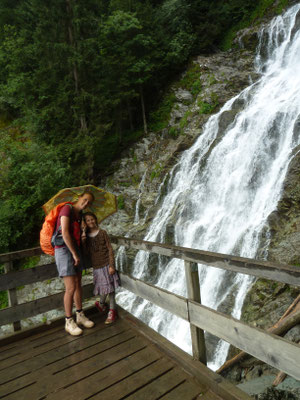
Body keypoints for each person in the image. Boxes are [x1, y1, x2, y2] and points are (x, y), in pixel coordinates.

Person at [54, 190, 95, 336]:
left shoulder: (80, 216)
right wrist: (74, 254)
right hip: (64, 250)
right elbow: (64, 233)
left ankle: (80, 315)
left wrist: (84, 233)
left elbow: (76, 234)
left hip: (74, 249)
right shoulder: (67, 209)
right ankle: (68, 321)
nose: (86, 203)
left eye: (89, 202)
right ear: (79, 198)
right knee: (70, 287)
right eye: (84, 200)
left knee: (78, 283)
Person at [81, 212, 120, 324]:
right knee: (105, 288)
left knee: (111, 289)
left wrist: (112, 265)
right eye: (88, 220)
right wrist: (83, 240)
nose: (91, 222)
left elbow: (110, 249)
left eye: (92, 219)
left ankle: (112, 312)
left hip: (107, 265)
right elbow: (86, 253)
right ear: (85, 223)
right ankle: (101, 303)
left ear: (96, 219)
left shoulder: (103, 233)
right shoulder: (86, 237)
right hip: (97, 267)